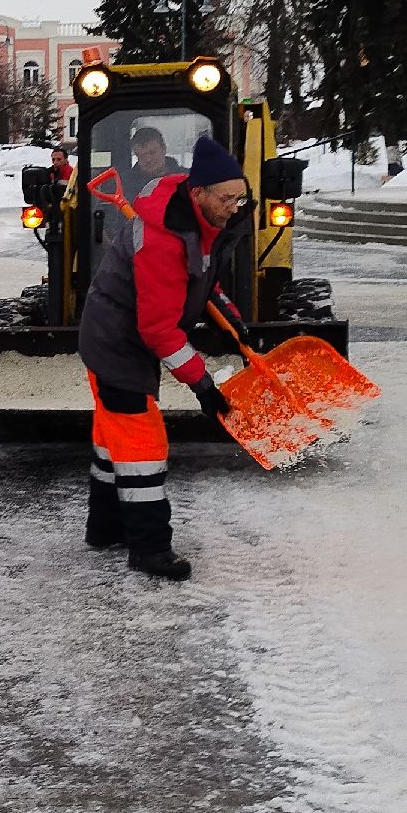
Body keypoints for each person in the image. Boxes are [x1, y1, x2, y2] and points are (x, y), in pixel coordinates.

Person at [76, 135, 253, 581]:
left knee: (111, 438)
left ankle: (104, 527)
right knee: (142, 445)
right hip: (116, 339)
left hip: (126, 333)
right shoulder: (163, 239)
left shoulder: (203, 221)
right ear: (198, 193)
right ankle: (150, 548)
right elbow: (157, 329)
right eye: (227, 198)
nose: (236, 206)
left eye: (241, 196)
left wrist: (232, 322)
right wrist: (204, 385)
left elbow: (200, 280)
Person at [118, 125, 176, 200]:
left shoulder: (186, 178)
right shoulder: (125, 184)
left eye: (152, 153)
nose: (148, 159)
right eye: (142, 155)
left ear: (163, 149)